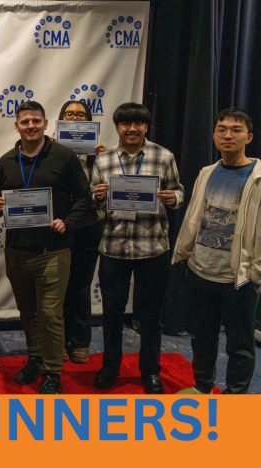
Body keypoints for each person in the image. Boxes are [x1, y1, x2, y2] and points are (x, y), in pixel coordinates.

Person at [0, 101, 94, 394]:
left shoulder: (64, 156)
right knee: (28, 312)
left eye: (36, 121)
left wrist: (68, 222)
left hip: (54, 250)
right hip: (17, 250)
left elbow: (85, 198)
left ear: (46, 123)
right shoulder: (7, 161)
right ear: (16, 126)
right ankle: (35, 357)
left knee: (50, 314)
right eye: (25, 122)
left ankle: (52, 371)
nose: (31, 126)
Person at [91, 102, 184, 394]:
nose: (132, 129)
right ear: (117, 127)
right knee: (112, 315)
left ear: (146, 127)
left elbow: (179, 190)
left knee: (151, 316)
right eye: (125, 124)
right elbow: (94, 202)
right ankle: (110, 367)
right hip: (113, 248)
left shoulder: (163, 156)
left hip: (153, 247)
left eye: (138, 124)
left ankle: (150, 371)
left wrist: (174, 198)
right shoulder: (103, 161)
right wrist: (96, 196)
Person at [173, 108, 259, 394]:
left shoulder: (258, 177)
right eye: (221, 129)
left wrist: (256, 273)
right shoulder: (207, 172)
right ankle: (202, 387)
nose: (227, 134)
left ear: (249, 136)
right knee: (202, 337)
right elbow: (195, 217)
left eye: (235, 129)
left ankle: (235, 399)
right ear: (214, 135)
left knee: (240, 346)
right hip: (201, 271)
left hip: (238, 278)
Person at [56, 100, 106, 364]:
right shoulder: (50, 148)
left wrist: (102, 157)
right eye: (70, 114)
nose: (75, 117)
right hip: (60, 225)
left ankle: (81, 342)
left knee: (80, 284)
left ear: (89, 120)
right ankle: (59, 341)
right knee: (57, 285)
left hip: (88, 225)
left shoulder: (99, 153)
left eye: (81, 114)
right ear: (61, 118)